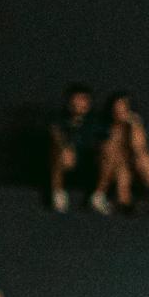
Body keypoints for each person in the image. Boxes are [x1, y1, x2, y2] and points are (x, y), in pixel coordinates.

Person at [97, 93, 149, 215]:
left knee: (146, 160)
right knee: (122, 169)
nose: (120, 110)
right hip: (111, 170)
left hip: (133, 165)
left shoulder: (134, 123)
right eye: (117, 106)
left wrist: (133, 125)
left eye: (123, 106)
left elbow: (140, 148)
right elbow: (106, 156)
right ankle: (124, 204)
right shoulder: (105, 127)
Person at [48, 84, 105, 214]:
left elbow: (104, 141)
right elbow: (55, 135)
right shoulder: (59, 120)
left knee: (109, 149)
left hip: (90, 163)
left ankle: (98, 196)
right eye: (77, 99)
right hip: (66, 162)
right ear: (69, 102)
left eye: (84, 99)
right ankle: (58, 196)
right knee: (56, 149)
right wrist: (65, 148)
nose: (80, 103)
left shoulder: (95, 122)